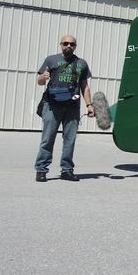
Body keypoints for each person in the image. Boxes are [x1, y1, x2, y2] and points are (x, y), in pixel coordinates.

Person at [34, 35, 95, 182]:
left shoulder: (82, 63)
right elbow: (40, 82)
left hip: (72, 106)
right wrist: (44, 77)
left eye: (72, 44)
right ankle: (41, 170)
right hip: (52, 106)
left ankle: (67, 170)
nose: (68, 46)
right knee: (47, 138)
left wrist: (89, 105)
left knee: (70, 140)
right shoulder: (51, 60)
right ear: (60, 44)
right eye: (65, 43)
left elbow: (84, 86)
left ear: (75, 46)